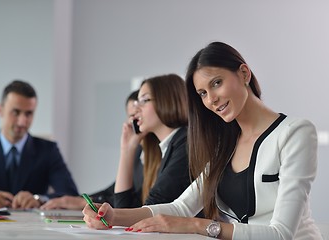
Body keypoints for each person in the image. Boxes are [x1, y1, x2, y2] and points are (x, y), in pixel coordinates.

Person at [82, 42, 322, 239]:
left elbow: (280, 234)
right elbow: (181, 207)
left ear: (244, 74)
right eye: (203, 94)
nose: (211, 100)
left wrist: (196, 226)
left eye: (216, 83)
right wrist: (114, 217)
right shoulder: (224, 142)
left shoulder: (295, 133)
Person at [0, 80, 79, 209]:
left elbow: (70, 195)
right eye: (16, 112)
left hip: (33, 226)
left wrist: (39, 199)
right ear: (0, 110)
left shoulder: (48, 150)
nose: (22, 122)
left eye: (29, 113)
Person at [40, 90, 143, 210]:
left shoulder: (151, 154)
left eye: (138, 115)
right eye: (131, 116)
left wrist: (82, 202)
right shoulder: (138, 152)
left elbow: (129, 203)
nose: (134, 122)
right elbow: (113, 191)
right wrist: (81, 200)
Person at [114, 74, 191, 208]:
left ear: (166, 101)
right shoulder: (162, 149)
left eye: (144, 100)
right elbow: (125, 206)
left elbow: (153, 207)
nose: (136, 109)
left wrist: (115, 215)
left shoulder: (186, 143)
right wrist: (127, 150)